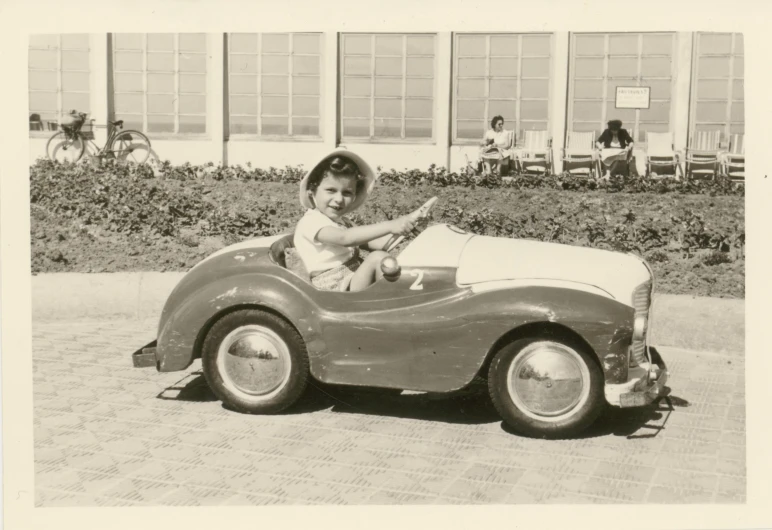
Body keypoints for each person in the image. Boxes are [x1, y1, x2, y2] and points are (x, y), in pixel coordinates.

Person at [294, 150, 424, 292]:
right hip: (331, 287)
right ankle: (389, 303)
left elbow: (379, 244)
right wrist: (390, 225)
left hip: (351, 278)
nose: (339, 199)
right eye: (331, 190)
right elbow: (345, 238)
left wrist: (407, 227)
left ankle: (390, 299)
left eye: (347, 193)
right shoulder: (311, 221)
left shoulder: (342, 221)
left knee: (381, 258)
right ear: (312, 191)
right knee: (377, 259)